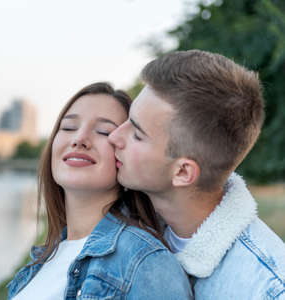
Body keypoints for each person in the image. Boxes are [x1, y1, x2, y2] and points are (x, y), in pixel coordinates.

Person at [109, 49, 285, 299]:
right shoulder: (123, 219)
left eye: (137, 135)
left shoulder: (264, 289)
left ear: (182, 172)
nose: (115, 136)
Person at [7, 82, 193, 299]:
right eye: (68, 127)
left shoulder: (145, 261)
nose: (79, 140)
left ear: (126, 155)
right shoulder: (43, 260)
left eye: (104, 132)